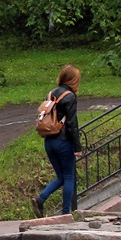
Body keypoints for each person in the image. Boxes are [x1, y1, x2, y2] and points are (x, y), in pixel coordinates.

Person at [32, 64, 82, 218]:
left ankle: (41, 199)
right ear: (73, 80)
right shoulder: (70, 96)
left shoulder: (51, 94)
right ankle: (66, 213)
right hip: (63, 142)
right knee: (68, 177)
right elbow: (72, 124)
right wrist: (77, 147)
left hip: (49, 142)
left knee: (61, 176)